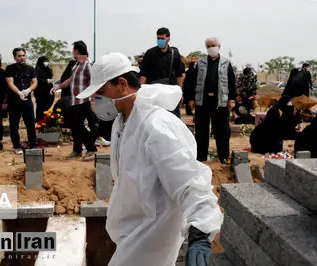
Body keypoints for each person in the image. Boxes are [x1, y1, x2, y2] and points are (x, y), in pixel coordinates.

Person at [76, 52, 222, 266]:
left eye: (100, 91)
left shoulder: (157, 127)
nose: (96, 99)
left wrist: (201, 233)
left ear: (122, 84)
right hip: (132, 231)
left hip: (152, 235)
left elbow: (190, 183)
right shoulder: (124, 122)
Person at [187, 38, 236, 164]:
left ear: (219, 46)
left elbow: (231, 82)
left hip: (220, 102)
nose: (211, 48)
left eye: (213, 45)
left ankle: (223, 157)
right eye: (208, 46)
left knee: (222, 131)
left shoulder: (226, 62)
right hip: (202, 102)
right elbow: (193, 81)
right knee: (201, 130)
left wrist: (232, 99)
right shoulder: (201, 62)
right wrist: (191, 98)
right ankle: (201, 156)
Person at [51, 41, 97, 160]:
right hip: (75, 100)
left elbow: (94, 83)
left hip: (85, 101)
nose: (73, 52)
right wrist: (58, 86)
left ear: (76, 50)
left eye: (73, 50)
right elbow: (70, 80)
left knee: (79, 125)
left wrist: (93, 101)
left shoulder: (88, 64)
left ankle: (91, 149)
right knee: (76, 126)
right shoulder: (76, 65)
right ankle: (77, 150)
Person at [140, 27, 185, 118]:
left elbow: (179, 75)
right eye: (158, 38)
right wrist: (140, 91)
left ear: (168, 39)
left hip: (170, 93)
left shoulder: (174, 53)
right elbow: (143, 74)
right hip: (154, 94)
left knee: (172, 119)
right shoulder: (150, 53)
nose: (160, 41)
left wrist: (180, 92)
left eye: (162, 39)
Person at [5, 48, 38, 155]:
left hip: (27, 100)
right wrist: (19, 92)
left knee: (30, 123)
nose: (22, 58)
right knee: (14, 125)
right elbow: (10, 82)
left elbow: (35, 82)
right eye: (19, 56)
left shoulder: (30, 69)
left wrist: (28, 90)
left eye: (23, 55)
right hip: (14, 101)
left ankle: (33, 144)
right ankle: (16, 146)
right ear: (15, 57)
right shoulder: (10, 68)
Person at [34, 56, 54, 122]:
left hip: (49, 92)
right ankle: (39, 122)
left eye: (47, 61)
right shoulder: (36, 70)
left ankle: (46, 121)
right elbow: (37, 80)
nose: (46, 63)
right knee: (40, 108)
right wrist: (45, 81)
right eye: (44, 61)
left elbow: (50, 76)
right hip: (40, 93)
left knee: (47, 108)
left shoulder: (49, 70)